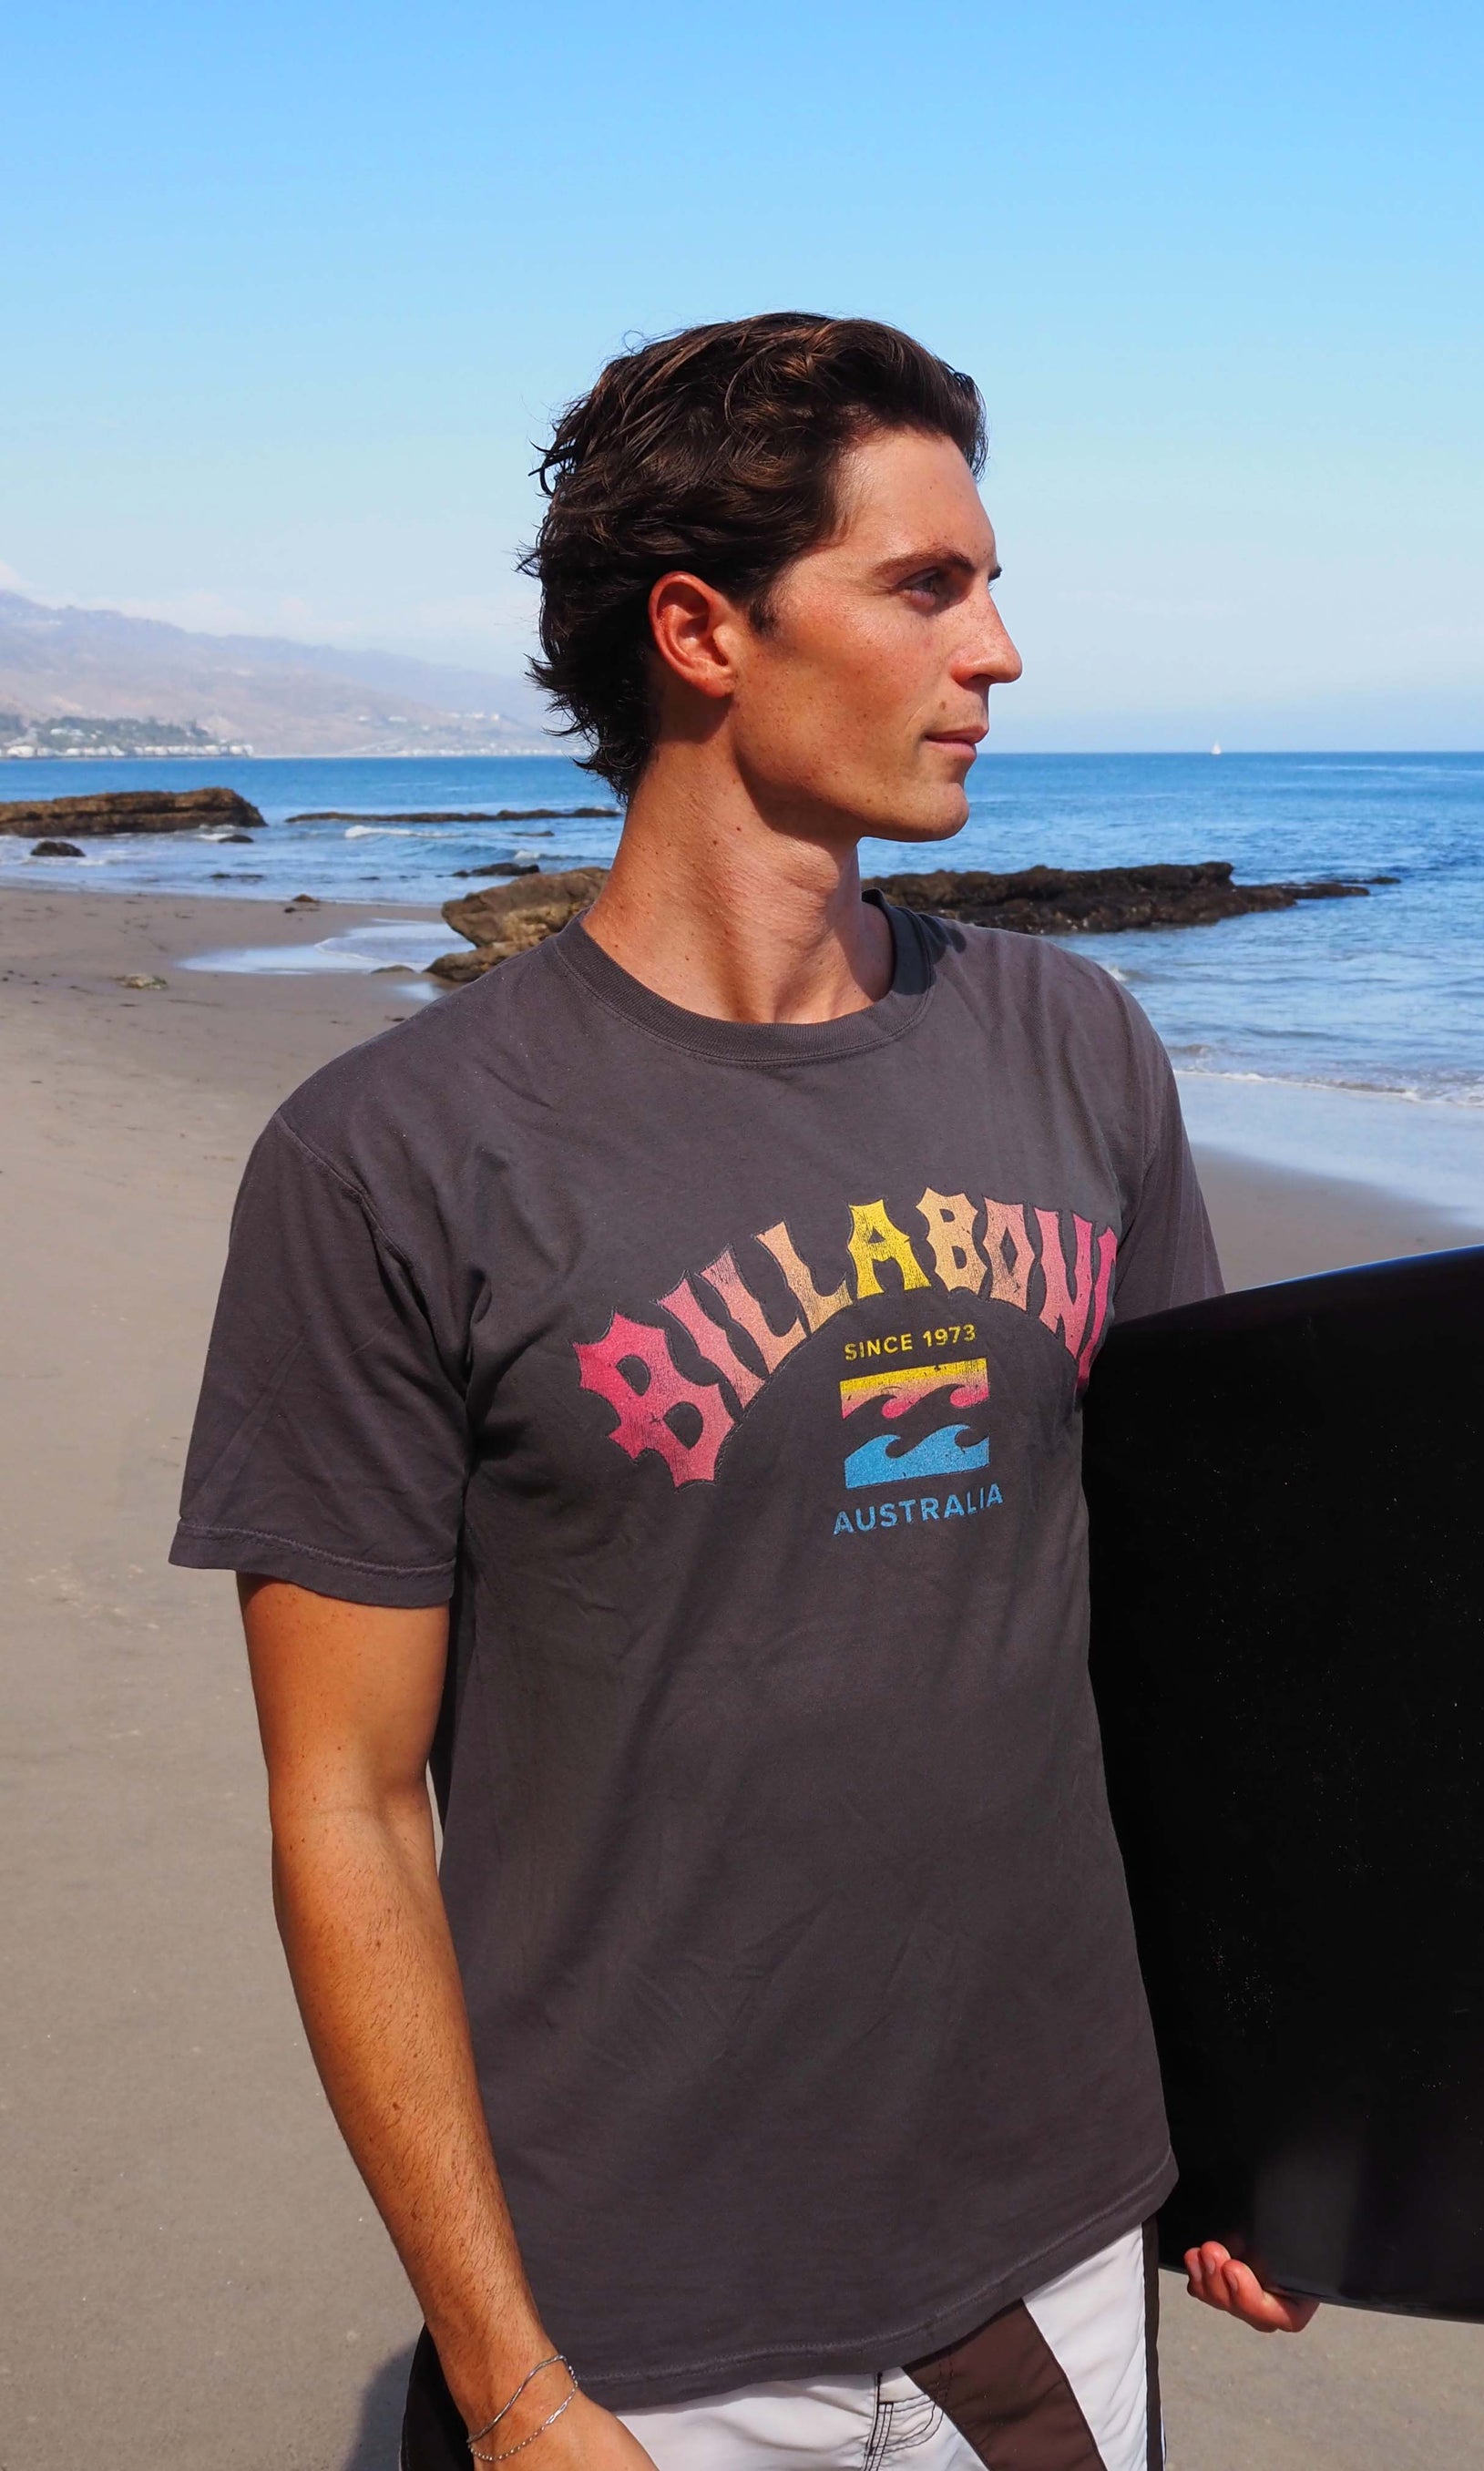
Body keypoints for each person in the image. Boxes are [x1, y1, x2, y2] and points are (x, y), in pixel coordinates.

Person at [171, 313, 1314, 2471]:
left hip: (1048, 2241)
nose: (995, 652)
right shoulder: (395, 1159)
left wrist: (1263, 2101)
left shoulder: (1069, 1047)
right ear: (700, 630)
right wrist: (508, 2380)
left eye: (986, 585)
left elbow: (1187, 1634)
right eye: (924, 586)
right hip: (639, 2323)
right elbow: (347, 1807)